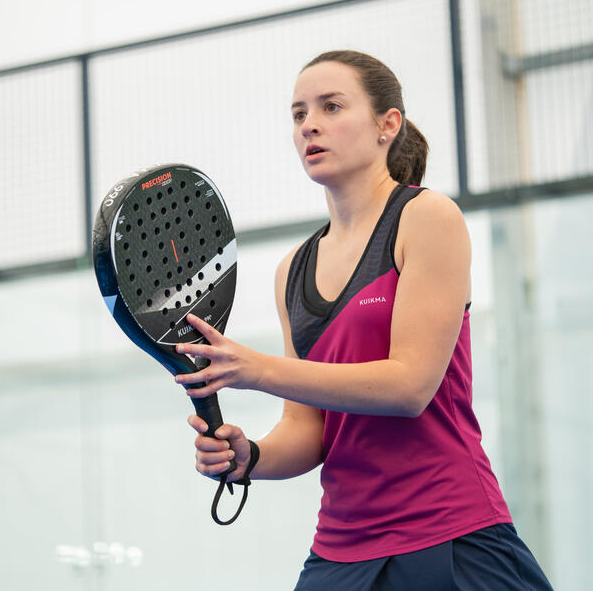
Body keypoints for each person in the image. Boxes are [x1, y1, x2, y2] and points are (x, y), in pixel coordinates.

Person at [173, 50, 553, 590]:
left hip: (450, 535)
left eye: (331, 106)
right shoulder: (292, 271)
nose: (310, 126)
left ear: (387, 124)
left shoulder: (426, 218)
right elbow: (308, 430)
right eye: (299, 114)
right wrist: (249, 456)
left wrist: (256, 369)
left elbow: (408, 386)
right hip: (340, 553)